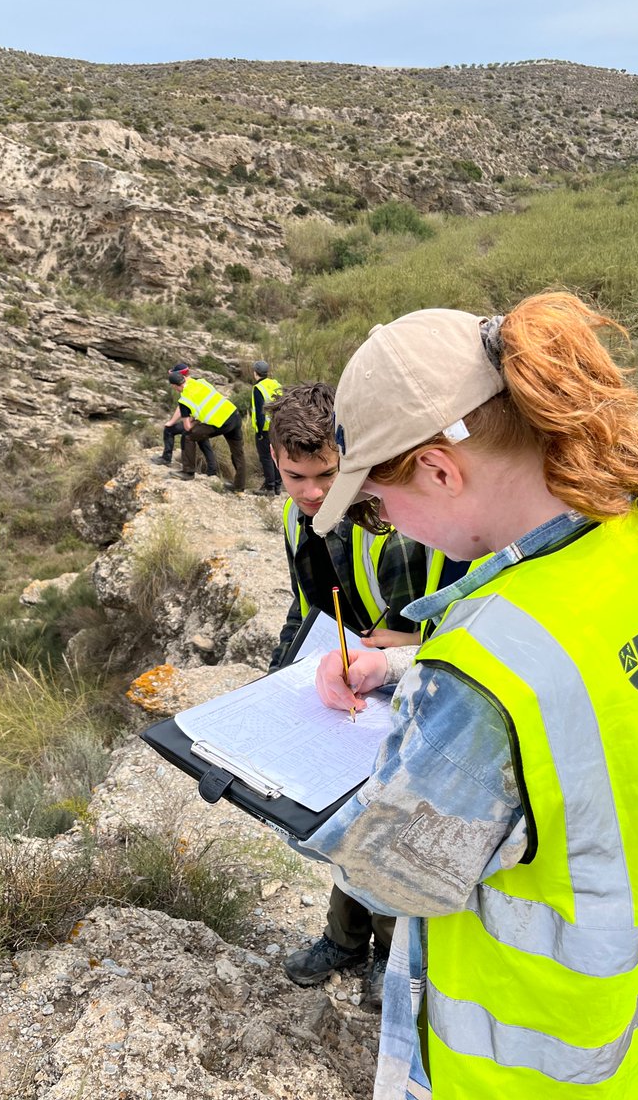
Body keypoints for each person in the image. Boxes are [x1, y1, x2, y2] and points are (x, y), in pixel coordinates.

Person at [299, 294, 638, 1100]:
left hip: (529, 1068)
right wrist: (406, 669)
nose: (389, 527)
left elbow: (391, 880)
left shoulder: (482, 672)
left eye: (377, 505)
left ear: (441, 471)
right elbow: (596, 699)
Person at [267, 382, 427, 1007]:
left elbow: (429, 623)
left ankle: (390, 956)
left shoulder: (396, 526)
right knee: (350, 818)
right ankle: (345, 939)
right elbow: (304, 606)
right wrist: (277, 679)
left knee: (394, 822)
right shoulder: (293, 517)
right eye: (293, 476)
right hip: (347, 676)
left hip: (401, 681)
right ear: (275, 461)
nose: (310, 493)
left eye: (326, 475)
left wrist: (388, 649)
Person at [168, 370, 246, 492]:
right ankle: (239, 486)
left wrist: (195, 422)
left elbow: (188, 427)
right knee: (238, 453)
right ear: (184, 378)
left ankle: (188, 472)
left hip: (221, 423)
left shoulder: (184, 400)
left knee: (187, 436)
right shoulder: (201, 382)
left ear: (174, 386)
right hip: (233, 415)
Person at [153, 363, 217, 476]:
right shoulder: (198, 382)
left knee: (174, 431)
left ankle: (167, 458)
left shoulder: (186, 387)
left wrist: (171, 422)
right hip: (207, 420)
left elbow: (183, 407)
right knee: (203, 442)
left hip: (198, 420)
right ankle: (212, 470)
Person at [250, 360, 282, 496]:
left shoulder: (258, 388)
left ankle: (269, 487)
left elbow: (259, 412)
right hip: (278, 426)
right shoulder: (276, 384)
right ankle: (277, 486)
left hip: (265, 428)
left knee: (266, 457)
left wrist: (259, 431)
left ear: (255, 373)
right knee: (277, 456)